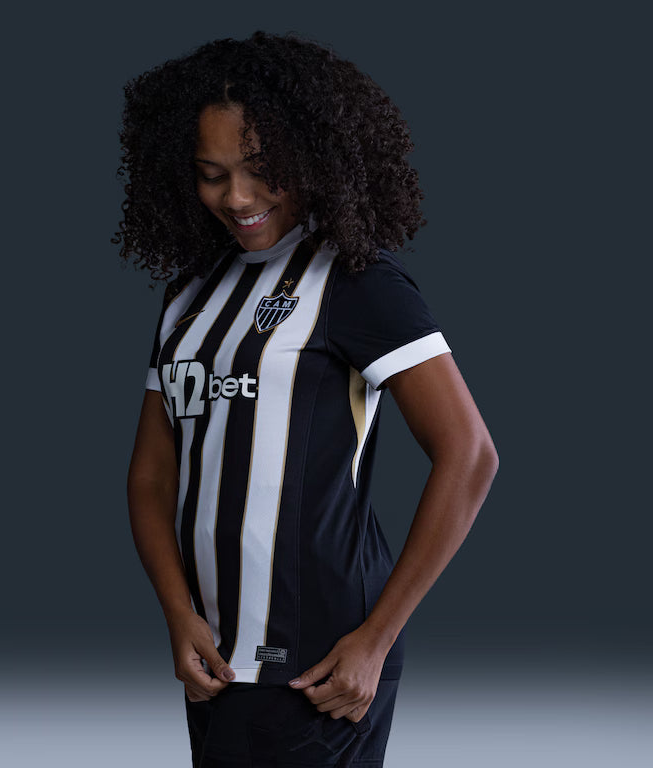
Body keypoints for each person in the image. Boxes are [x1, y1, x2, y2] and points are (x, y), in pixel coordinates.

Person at [114, 31, 499, 768]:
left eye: (262, 171)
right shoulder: (189, 297)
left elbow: (470, 454)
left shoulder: (357, 283)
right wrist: (177, 614)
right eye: (212, 175)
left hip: (326, 665)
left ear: (311, 157)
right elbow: (151, 477)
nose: (238, 198)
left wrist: (376, 640)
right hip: (214, 664)